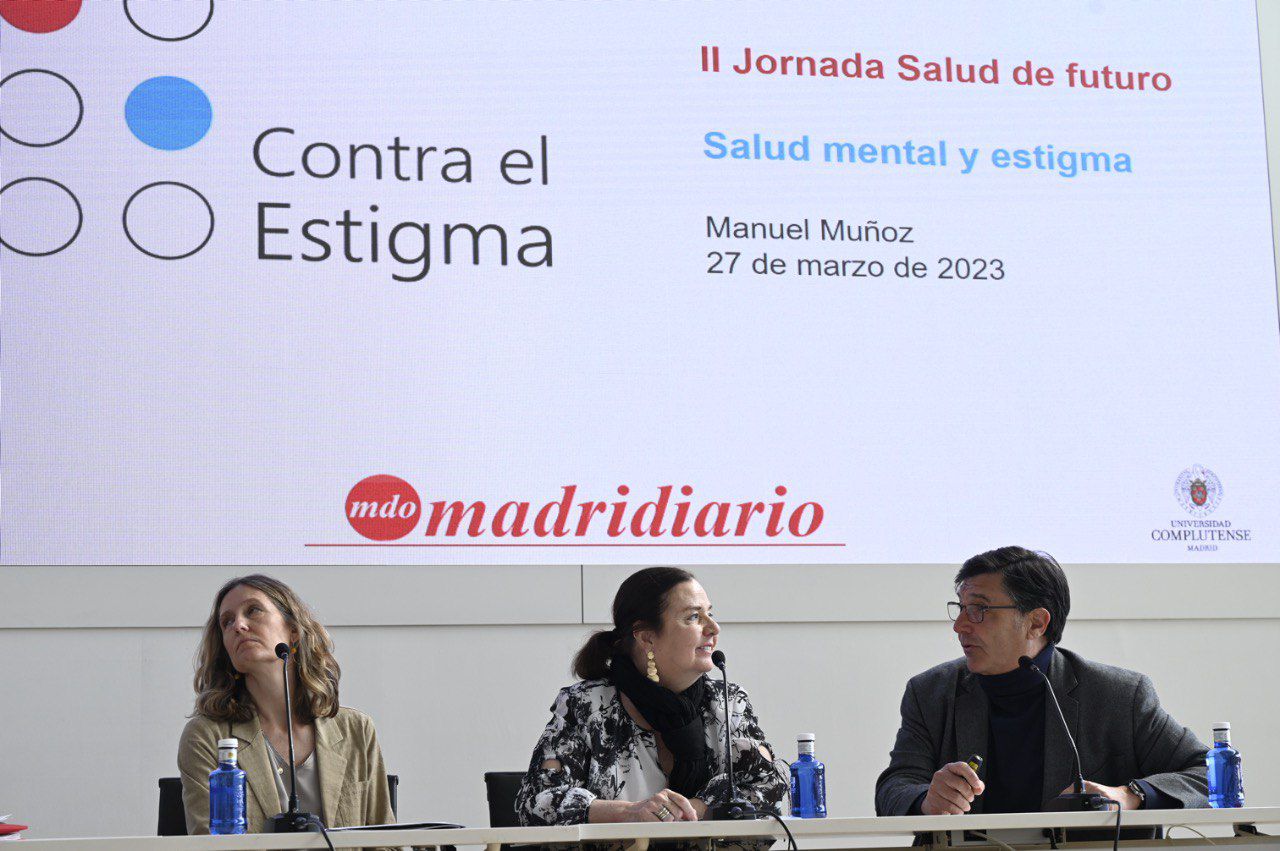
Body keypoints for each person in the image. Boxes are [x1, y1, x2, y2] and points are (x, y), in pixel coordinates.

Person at [876, 546, 1209, 816]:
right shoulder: (930, 692)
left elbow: (1209, 774)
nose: (960, 625)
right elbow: (895, 786)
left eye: (978, 610)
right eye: (960, 608)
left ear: (1036, 622)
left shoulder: (1118, 696)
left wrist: (1129, 795)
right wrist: (925, 799)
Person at [517, 567, 785, 824]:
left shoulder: (728, 703)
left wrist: (693, 809)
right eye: (693, 617)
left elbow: (771, 784)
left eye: (710, 614)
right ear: (646, 638)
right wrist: (631, 813)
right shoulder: (586, 705)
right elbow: (536, 803)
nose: (713, 628)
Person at [177, 574, 394, 834]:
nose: (239, 625)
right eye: (227, 622)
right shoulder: (206, 736)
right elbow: (207, 846)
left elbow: (385, 841)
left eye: (253, 610)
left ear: (293, 630)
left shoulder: (356, 730)